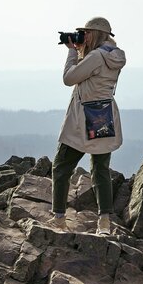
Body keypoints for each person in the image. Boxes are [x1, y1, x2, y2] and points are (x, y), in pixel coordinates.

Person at [49, 17, 126, 235]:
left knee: (61, 166)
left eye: (86, 33)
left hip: (82, 119)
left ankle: (59, 220)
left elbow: (69, 78)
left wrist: (72, 51)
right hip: (103, 115)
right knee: (100, 169)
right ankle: (104, 222)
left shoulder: (95, 56)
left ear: (95, 34)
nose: (83, 36)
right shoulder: (114, 55)